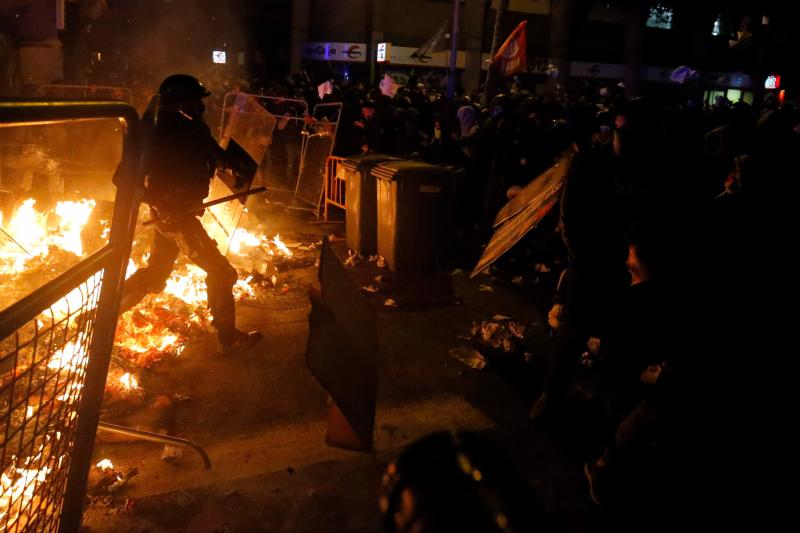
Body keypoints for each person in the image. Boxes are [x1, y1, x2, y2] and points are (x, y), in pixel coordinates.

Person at [120, 74, 262, 353]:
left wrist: (235, 165)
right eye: (195, 100)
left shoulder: (194, 129)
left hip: (180, 214)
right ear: (179, 102)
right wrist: (160, 204)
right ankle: (228, 339)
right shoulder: (156, 134)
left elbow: (215, 155)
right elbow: (123, 179)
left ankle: (101, 311)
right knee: (222, 273)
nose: (200, 105)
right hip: (174, 218)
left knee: (156, 275)